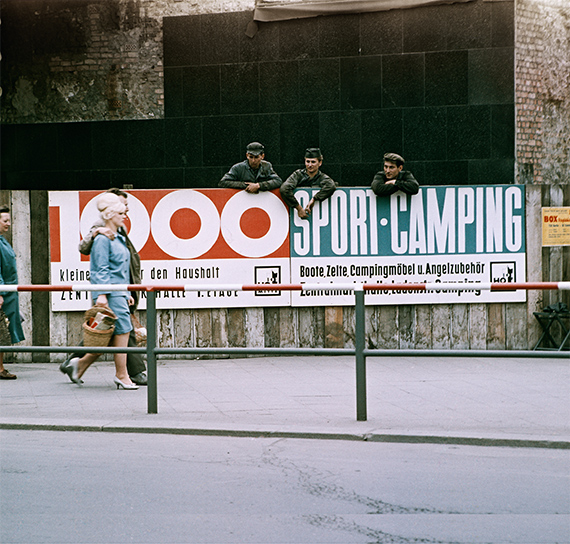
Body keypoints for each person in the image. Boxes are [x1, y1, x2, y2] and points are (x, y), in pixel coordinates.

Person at [60, 188, 147, 385]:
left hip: (118, 292)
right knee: (122, 332)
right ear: (110, 213)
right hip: (110, 294)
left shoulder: (119, 236)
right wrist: (101, 295)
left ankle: (78, 366)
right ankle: (122, 375)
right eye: (122, 211)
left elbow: (121, 268)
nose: (125, 214)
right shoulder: (102, 236)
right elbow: (101, 269)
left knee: (107, 336)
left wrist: (126, 292)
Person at [0, 206, 24, 380]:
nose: (9, 224)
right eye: (5, 220)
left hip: (8, 291)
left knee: (4, 330)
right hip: (4, 292)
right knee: (1, 330)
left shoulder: (2, 240)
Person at [280, 148, 337, 219]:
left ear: (320, 163)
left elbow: (331, 186)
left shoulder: (322, 177)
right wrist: (299, 208)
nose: (310, 165)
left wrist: (314, 198)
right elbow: (284, 189)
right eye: (307, 161)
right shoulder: (298, 175)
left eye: (313, 162)